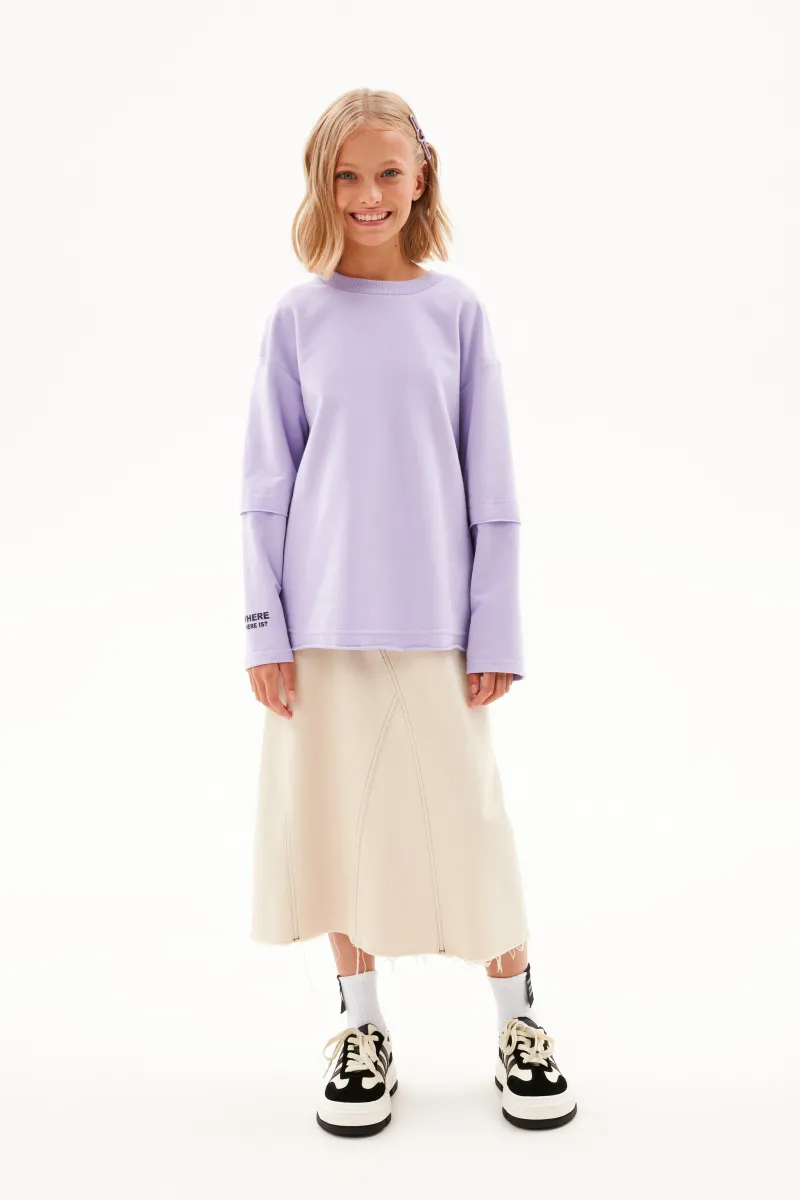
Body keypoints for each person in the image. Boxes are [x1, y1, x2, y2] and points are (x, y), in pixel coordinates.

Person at [239, 87, 577, 1137]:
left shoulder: (455, 313)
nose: (367, 194)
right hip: (320, 623)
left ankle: (519, 1020)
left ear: (421, 175)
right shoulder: (296, 319)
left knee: (467, 823)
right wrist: (263, 627)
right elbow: (264, 486)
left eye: (387, 172)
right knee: (335, 827)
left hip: (436, 622)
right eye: (346, 175)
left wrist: (495, 626)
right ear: (320, 184)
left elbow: (492, 483)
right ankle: (360, 1024)